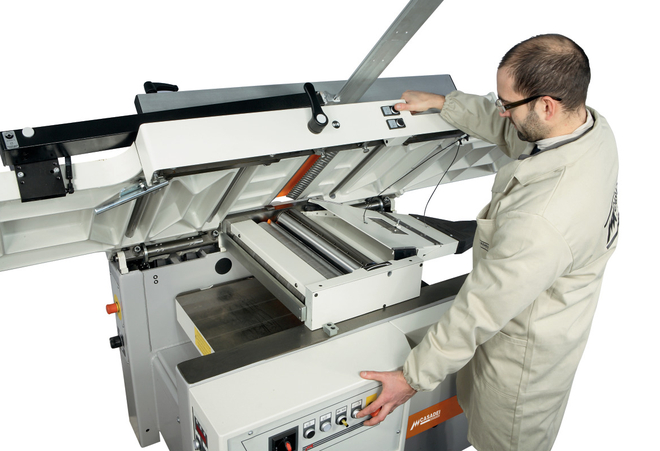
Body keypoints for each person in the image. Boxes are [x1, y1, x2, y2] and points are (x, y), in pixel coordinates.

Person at [356, 34, 619, 451]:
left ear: (546, 106)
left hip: (521, 369)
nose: (501, 111)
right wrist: (446, 104)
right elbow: (514, 132)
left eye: (506, 103)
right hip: (551, 312)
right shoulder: (590, 130)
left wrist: (411, 379)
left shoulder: (543, 218)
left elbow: (480, 308)